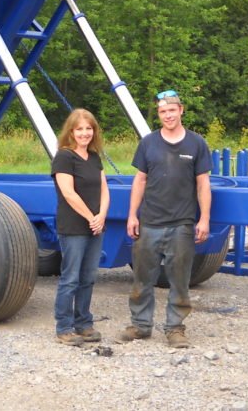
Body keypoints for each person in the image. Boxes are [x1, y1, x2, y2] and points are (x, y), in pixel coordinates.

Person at [117, 89, 211, 349]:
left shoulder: (196, 143)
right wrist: (132, 215)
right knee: (142, 279)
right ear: (158, 115)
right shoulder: (148, 143)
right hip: (149, 223)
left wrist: (204, 219)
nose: (167, 115)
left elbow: (203, 184)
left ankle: (175, 329)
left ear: (181, 110)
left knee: (179, 279)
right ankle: (140, 325)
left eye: (172, 110)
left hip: (182, 224)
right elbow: (140, 180)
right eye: (162, 111)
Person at [51, 108, 110, 345]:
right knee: (71, 278)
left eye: (89, 128)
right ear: (71, 132)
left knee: (88, 277)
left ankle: (84, 323)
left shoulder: (95, 157)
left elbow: (104, 189)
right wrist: (90, 217)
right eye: (79, 129)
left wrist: (102, 215)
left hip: (95, 226)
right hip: (74, 226)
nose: (85, 133)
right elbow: (68, 193)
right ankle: (64, 327)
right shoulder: (64, 157)